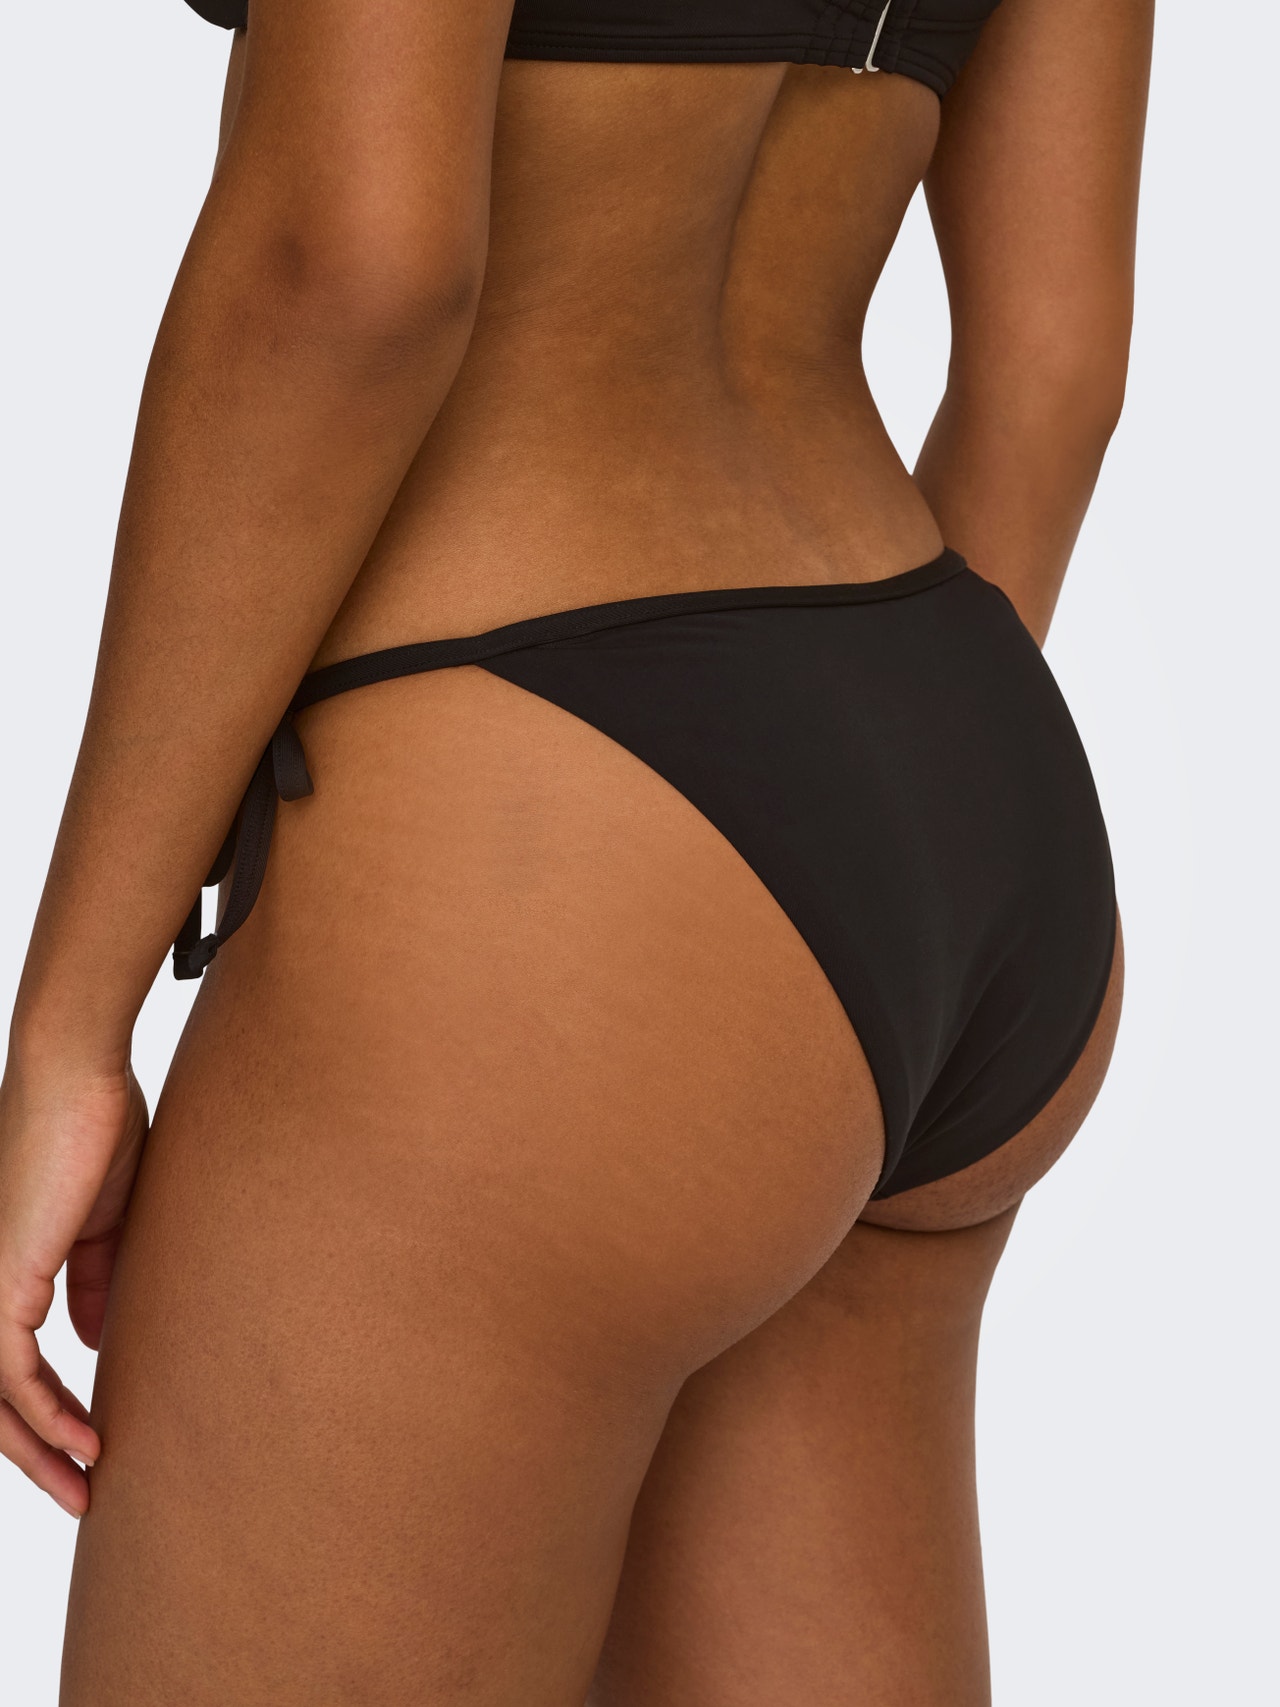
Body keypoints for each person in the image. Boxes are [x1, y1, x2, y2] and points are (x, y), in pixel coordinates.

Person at [0, 0, 1152, 1698]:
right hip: (954, 749)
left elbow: (358, 264)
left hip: (544, 814)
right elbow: (1057, 369)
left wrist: (71, 1026)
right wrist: (819, 866)